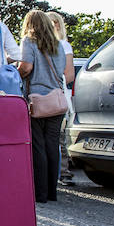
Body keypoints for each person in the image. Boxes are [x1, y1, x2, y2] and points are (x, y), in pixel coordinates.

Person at [18, 9, 67, 203]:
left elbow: (26, 67)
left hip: (37, 100)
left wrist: (16, 72)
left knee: (38, 145)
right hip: (56, 100)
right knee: (52, 145)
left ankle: (41, 193)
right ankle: (52, 192)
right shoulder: (58, 44)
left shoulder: (29, 41)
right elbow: (62, 71)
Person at [47, 11, 76, 183]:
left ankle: (63, 172)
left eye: (55, 22)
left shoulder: (64, 45)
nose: (52, 25)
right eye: (48, 22)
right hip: (42, 95)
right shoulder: (36, 44)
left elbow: (69, 75)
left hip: (58, 93)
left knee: (59, 135)